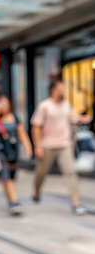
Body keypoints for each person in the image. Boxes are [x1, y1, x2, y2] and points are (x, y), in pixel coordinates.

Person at [31, 80, 91, 215]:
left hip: (64, 145)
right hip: (47, 145)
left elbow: (72, 119)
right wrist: (38, 145)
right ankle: (36, 190)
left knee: (71, 172)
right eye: (61, 88)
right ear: (54, 90)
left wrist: (82, 119)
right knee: (41, 172)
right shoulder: (44, 106)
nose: (63, 91)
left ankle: (76, 202)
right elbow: (36, 126)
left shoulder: (67, 106)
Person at [0, 96, 32, 216]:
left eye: (5, 104)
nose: (3, 106)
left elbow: (22, 133)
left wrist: (28, 147)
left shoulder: (15, 118)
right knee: (5, 175)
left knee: (11, 177)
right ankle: (14, 201)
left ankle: (11, 199)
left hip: (12, 151)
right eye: (1, 104)